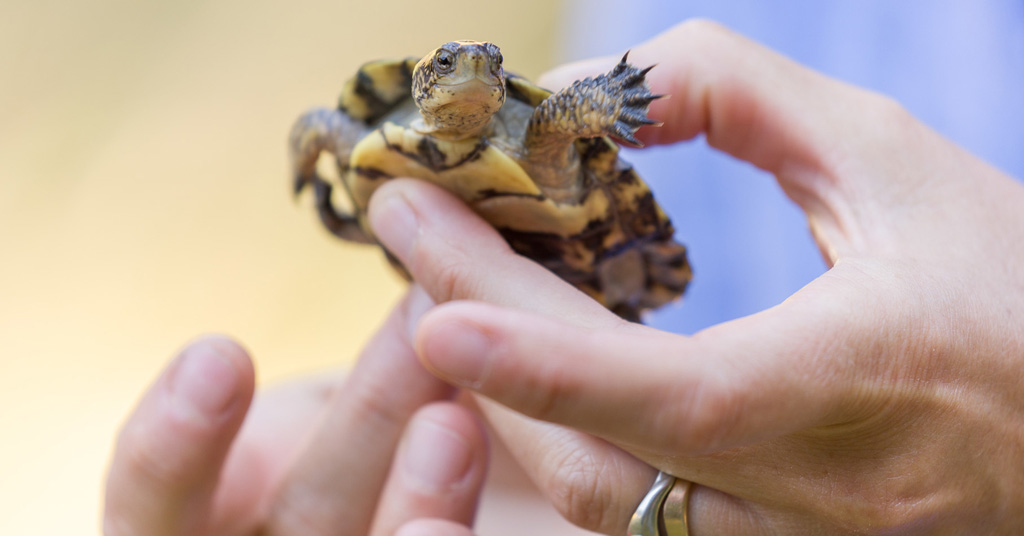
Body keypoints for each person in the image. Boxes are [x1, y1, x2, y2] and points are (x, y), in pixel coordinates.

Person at [104, 20, 1024, 536]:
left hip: (597, 244)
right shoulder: (382, 133)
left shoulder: (536, 133)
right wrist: (471, 456)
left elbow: (572, 124)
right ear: (423, 89)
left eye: (487, 69)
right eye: (449, 70)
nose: (472, 78)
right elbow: (328, 125)